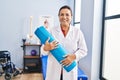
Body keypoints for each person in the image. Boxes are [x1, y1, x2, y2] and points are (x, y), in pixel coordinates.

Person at [41, 5, 88, 80]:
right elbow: (43, 52)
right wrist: (46, 48)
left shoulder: (77, 32)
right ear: (58, 16)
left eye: (67, 14)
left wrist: (74, 56)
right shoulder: (51, 31)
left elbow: (84, 50)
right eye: (62, 14)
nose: (64, 17)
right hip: (53, 72)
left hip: (70, 71)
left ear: (71, 16)